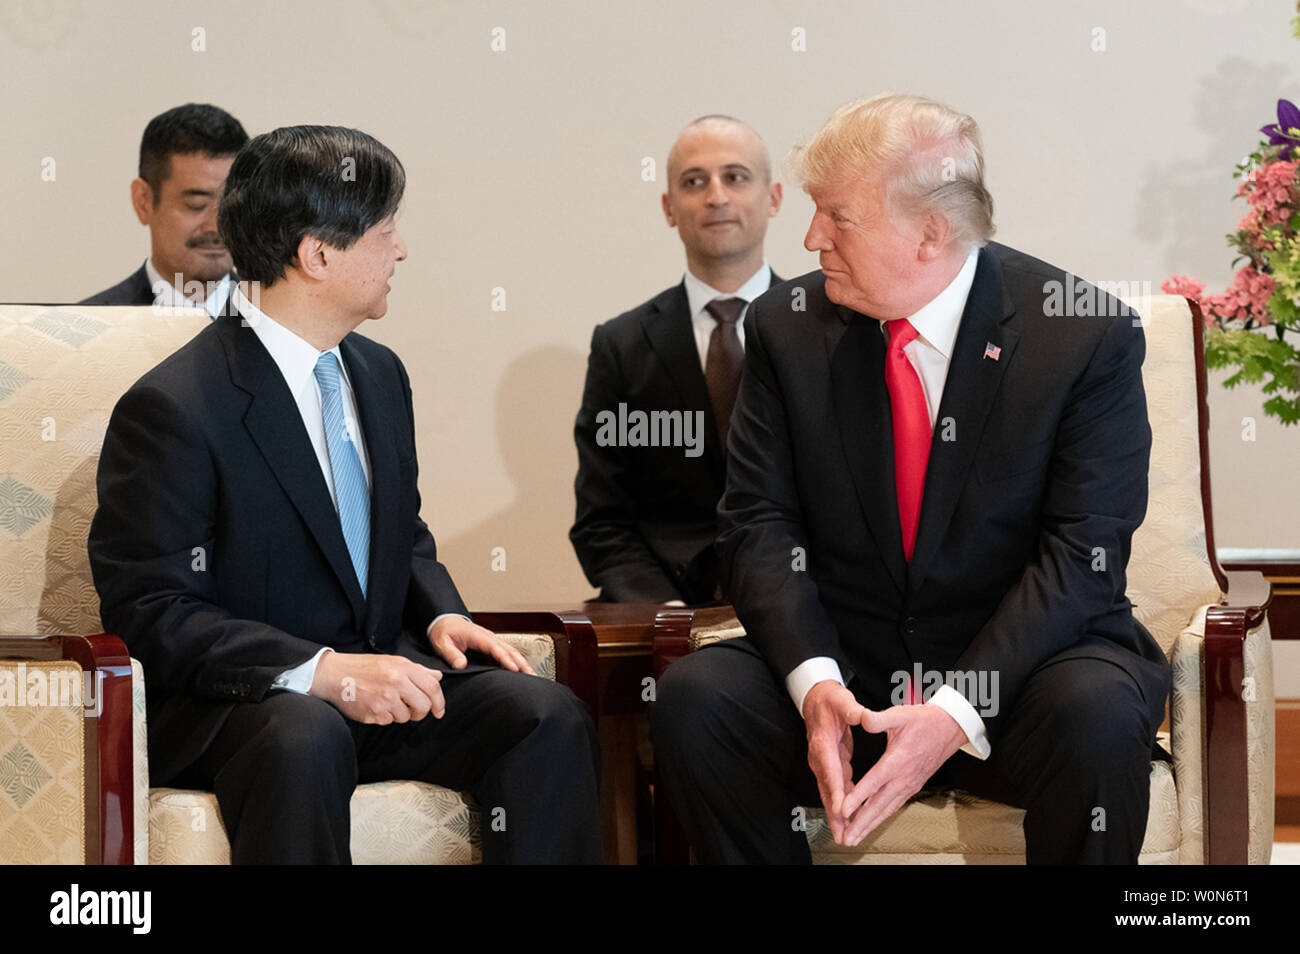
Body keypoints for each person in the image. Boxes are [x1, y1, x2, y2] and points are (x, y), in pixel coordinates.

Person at [650, 94, 1171, 864]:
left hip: (1027, 675)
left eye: (838, 216)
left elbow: (1082, 556)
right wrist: (816, 683)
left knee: (1095, 713)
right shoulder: (786, 326)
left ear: (932, 232)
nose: (810, 237)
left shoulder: (1081, 335)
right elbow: (758, 525)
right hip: (850, 669)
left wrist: (957, 710)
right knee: (698, 700)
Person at [88, 125, 602, 864]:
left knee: (542, 713)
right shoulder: (175, 407)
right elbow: (151, 611)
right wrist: (322, 673)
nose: (401, 250)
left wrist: (443, 613)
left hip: (381, 673)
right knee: (307, 730)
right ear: (317, 254)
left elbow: (404, 535)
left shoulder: (378, 374)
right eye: (386, 229)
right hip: (244, 703)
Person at [571, 115, 783, 604]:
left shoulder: (826, 329)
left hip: (808, 604)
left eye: (735, 176)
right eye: (694, 181)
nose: (715, 196)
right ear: (669, 208)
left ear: (773, 198)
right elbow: (602, 520)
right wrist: (667, 618)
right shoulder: (621, 346)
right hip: (667, 613)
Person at [80, 103, 247, 318]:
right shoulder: (94, 328)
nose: (216, 226)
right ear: (144, 202)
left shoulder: (280, 325)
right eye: (195, 205)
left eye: (229, 205)